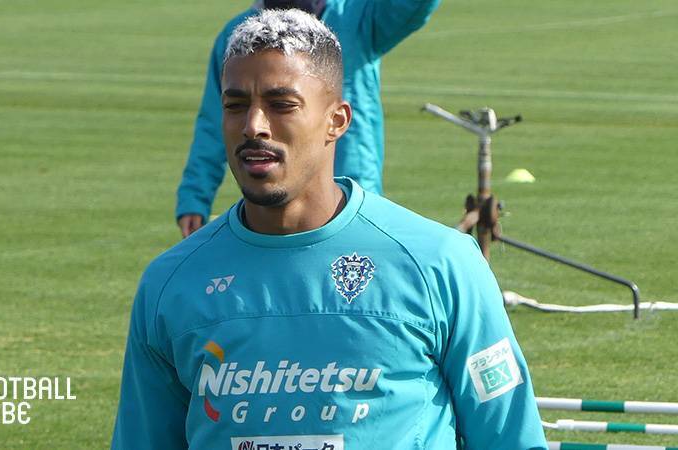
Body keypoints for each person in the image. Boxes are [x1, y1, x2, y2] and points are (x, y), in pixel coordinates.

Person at [113, 9, 547, 450]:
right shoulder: (171, 284)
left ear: (337, 120)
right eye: (235, 105)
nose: (253, 126)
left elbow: (510, 438)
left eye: (282, 105)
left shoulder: (440, 264)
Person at [176, 0, 441, 238]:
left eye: (282, 104)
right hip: (275, 209)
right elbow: (214, 120)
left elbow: (413, 6)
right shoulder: (240, 37)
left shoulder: (354, 18)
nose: (254, 125)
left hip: (354, 195)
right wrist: (194, 196)